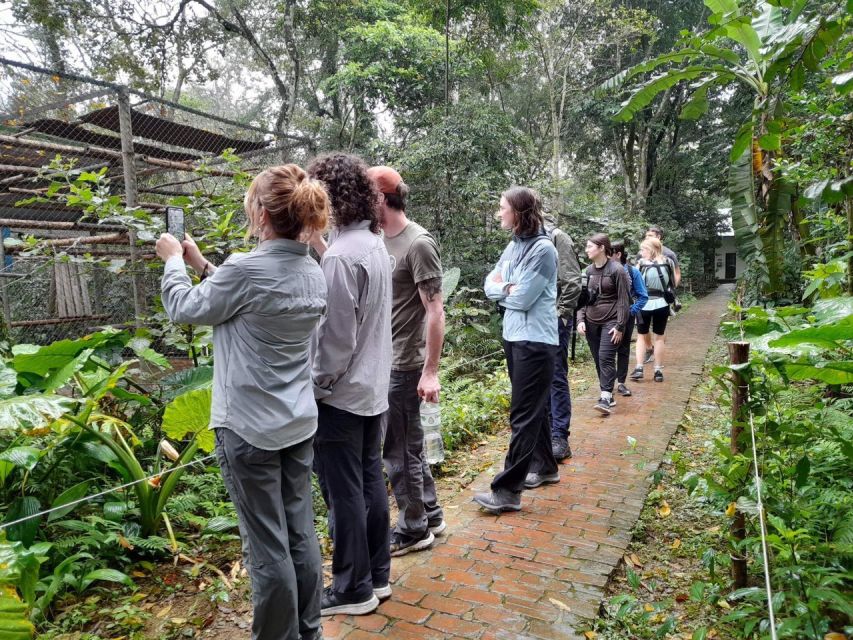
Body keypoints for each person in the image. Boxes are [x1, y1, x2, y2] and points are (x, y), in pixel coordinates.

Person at [156, 164, 329, 640]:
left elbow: (186, 309)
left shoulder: (245, 269)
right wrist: (201, 265)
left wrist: (172, 259)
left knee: (266, 547)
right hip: (297, 425)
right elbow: (246, 298)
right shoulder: (313, 271)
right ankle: (307, 632)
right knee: (299, 534)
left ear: (261, 213)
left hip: (248, 429)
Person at [307, 153, 392, 617]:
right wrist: (323, 245)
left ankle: (351, 588)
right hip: (372, 388)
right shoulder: (371, 245)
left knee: (343, 494)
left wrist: (317, 386)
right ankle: (376, 576)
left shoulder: (341, 258)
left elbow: (336, 342)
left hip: (340, 396)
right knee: (369, 482)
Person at [367, 165, 447, 557]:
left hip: (405, 362)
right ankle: (430, 513)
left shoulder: (417, 243)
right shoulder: (376, 238)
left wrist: (430, 371)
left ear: (381, 198)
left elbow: (435, 311)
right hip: (385, 359)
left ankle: (414, 528)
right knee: (408, 446)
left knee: (397, 452)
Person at [476, 186, 560, 514]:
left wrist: (504, 291)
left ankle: (508, 490)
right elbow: (489, 283)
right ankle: (546, 467)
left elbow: (524, 299)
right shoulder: (513, 246)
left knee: (522, 412)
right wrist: (503, 288)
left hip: (535, 341)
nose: (499, 213)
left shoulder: (543, 250)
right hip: (514, 335)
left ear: (519, 212)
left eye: (503, 208)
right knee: (531, 408)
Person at [576, 233, 631, 415]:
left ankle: (605, 397)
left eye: (590, 246)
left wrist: (621, 325)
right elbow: (582, 299)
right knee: (598, 359)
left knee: (606, 357)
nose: (586, 250)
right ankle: (608, 392)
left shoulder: (617, 270)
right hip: (591, 322)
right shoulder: (588, 271)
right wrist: (580, 319)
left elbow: (624, 300)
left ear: (601, 248)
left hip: (612, 320)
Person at [543, 214, 582, 461]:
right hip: (535, 321)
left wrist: (562, 315)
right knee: (540, 377)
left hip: (555, 319)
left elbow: (572, 281)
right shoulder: (525, 240)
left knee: (556, 375)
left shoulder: (558, 237)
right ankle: (545, 432)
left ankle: (560, 436)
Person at [631, 237, 676, 383]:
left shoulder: (641, 264)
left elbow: (633, 284)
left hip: (643, 305)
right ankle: (658, 370)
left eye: (643, 249)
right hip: (662, 304)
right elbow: (673, 283)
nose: (641, 252)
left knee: (641, 336)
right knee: (659, 337)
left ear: (651, 249)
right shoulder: (668, 262)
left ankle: (639, 368)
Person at [611, 240, 648, 397]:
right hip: (608, 315)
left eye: (609, 253)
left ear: (618, 254)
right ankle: (606, 384)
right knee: (607, 350)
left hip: (626, 316)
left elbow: (643, 296)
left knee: (623, 349)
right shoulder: (604, 270)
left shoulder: (633, 271)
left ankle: (621, 383)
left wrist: (631, 311)